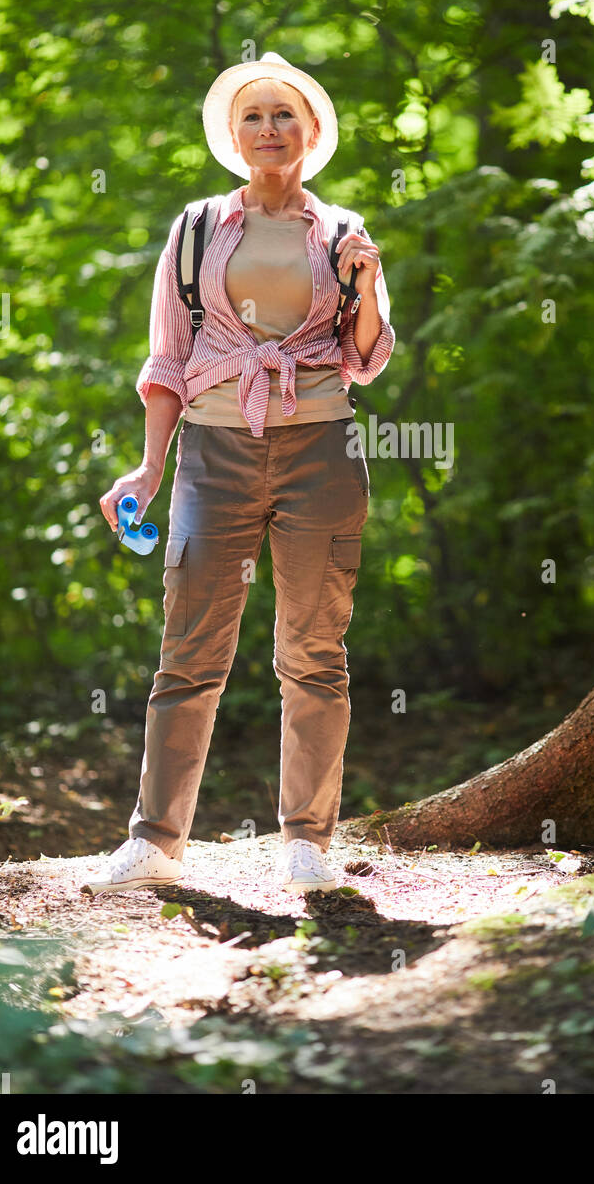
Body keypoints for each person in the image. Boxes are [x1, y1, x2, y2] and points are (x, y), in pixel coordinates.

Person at [86, 52, 395, 895]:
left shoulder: (341, 233)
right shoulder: (193, 231)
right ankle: (154, 844)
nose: (269, 128)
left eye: (284, 115)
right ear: (233, 134)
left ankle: (306, 846)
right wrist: (150, 468)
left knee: (314, 653)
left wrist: (368, 282)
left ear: (312, 133)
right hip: (213, 456)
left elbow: (365, 360)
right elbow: (168, 361)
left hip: (320, 451)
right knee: (188, 655)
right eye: (254, 115)